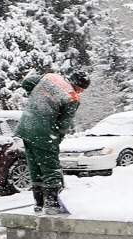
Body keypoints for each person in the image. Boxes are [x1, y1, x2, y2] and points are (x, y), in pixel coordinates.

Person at [14, 69, 89, 215]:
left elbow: (26, 83)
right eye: (82, 89)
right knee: (51, 168)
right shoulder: (72, 97)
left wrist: (40, 96)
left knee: (35, 165)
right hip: (44, 132)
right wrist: (56, 140)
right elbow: (63, 124)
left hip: (25, 127)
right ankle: (52, 204)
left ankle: (39, 203)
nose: (81, 92)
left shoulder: (50, 77)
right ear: (79, 86)